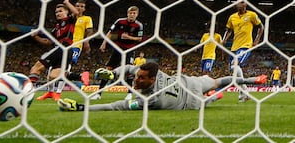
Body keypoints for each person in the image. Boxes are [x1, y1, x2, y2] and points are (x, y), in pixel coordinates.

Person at [57, 62, 267, 111]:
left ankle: (245, 82)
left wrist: (83, 107)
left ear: (152, 79)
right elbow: (130, 67)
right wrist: (113, 74)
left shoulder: (150, 100)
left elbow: (116, 106)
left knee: (218, 85)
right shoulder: (152, 71)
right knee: (219, 83)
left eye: (140, 79)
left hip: (191, 96)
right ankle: (248, 81)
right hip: (190, 88)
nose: (135, 80)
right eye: (136, 77)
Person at [36, 0, 94, 100]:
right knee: (51, 71)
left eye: (81, 6)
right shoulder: (61, 23)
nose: (79, 8)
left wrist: (87, 41)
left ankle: (58, 92)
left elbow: (89, 31)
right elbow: (49, 40)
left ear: (84, 9)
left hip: (75, 46)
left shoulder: (86, 19)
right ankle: (50, 92)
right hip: (60, 46)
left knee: (66, 68)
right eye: (77, 6)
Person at [29, 0, 78, 101]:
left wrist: (67, 3)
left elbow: (76, 13)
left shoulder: (70, 20)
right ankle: (79, 76)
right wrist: (35, 36)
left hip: (63, 47)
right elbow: (48, 42)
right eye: (56, 12)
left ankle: (26, 92)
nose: (58, 13)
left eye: (60, 11)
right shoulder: (56, 28)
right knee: (52, 76)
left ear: (66, 12)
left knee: (36, 68)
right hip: (65, 51)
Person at [93, 6, 143, 100]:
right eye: (130, 13)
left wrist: (129, 37)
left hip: (129, 50)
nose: (132, 15)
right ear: (127, 13)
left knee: (129, 71)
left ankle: (129, 94)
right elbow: (110, 32)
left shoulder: (139, 25)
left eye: (134, 13)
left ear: (137, 14)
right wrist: (104, 43)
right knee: (108, 69)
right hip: (118, 48)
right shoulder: (120, 21)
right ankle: (98, 94)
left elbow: (139, 38)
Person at [222, 0, 264, 102]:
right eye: (237, 2)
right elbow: (229, 30)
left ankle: (243, 94)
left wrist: (257, 39)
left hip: (246, 45)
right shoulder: (232, 17)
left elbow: (261, 26)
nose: (239, 4)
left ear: (245, 4)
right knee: (234, 70)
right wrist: (224, 40)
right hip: (234, 47)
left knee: (235, 64)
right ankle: (244, 93)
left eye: (241, 2)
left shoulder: (252, 15)